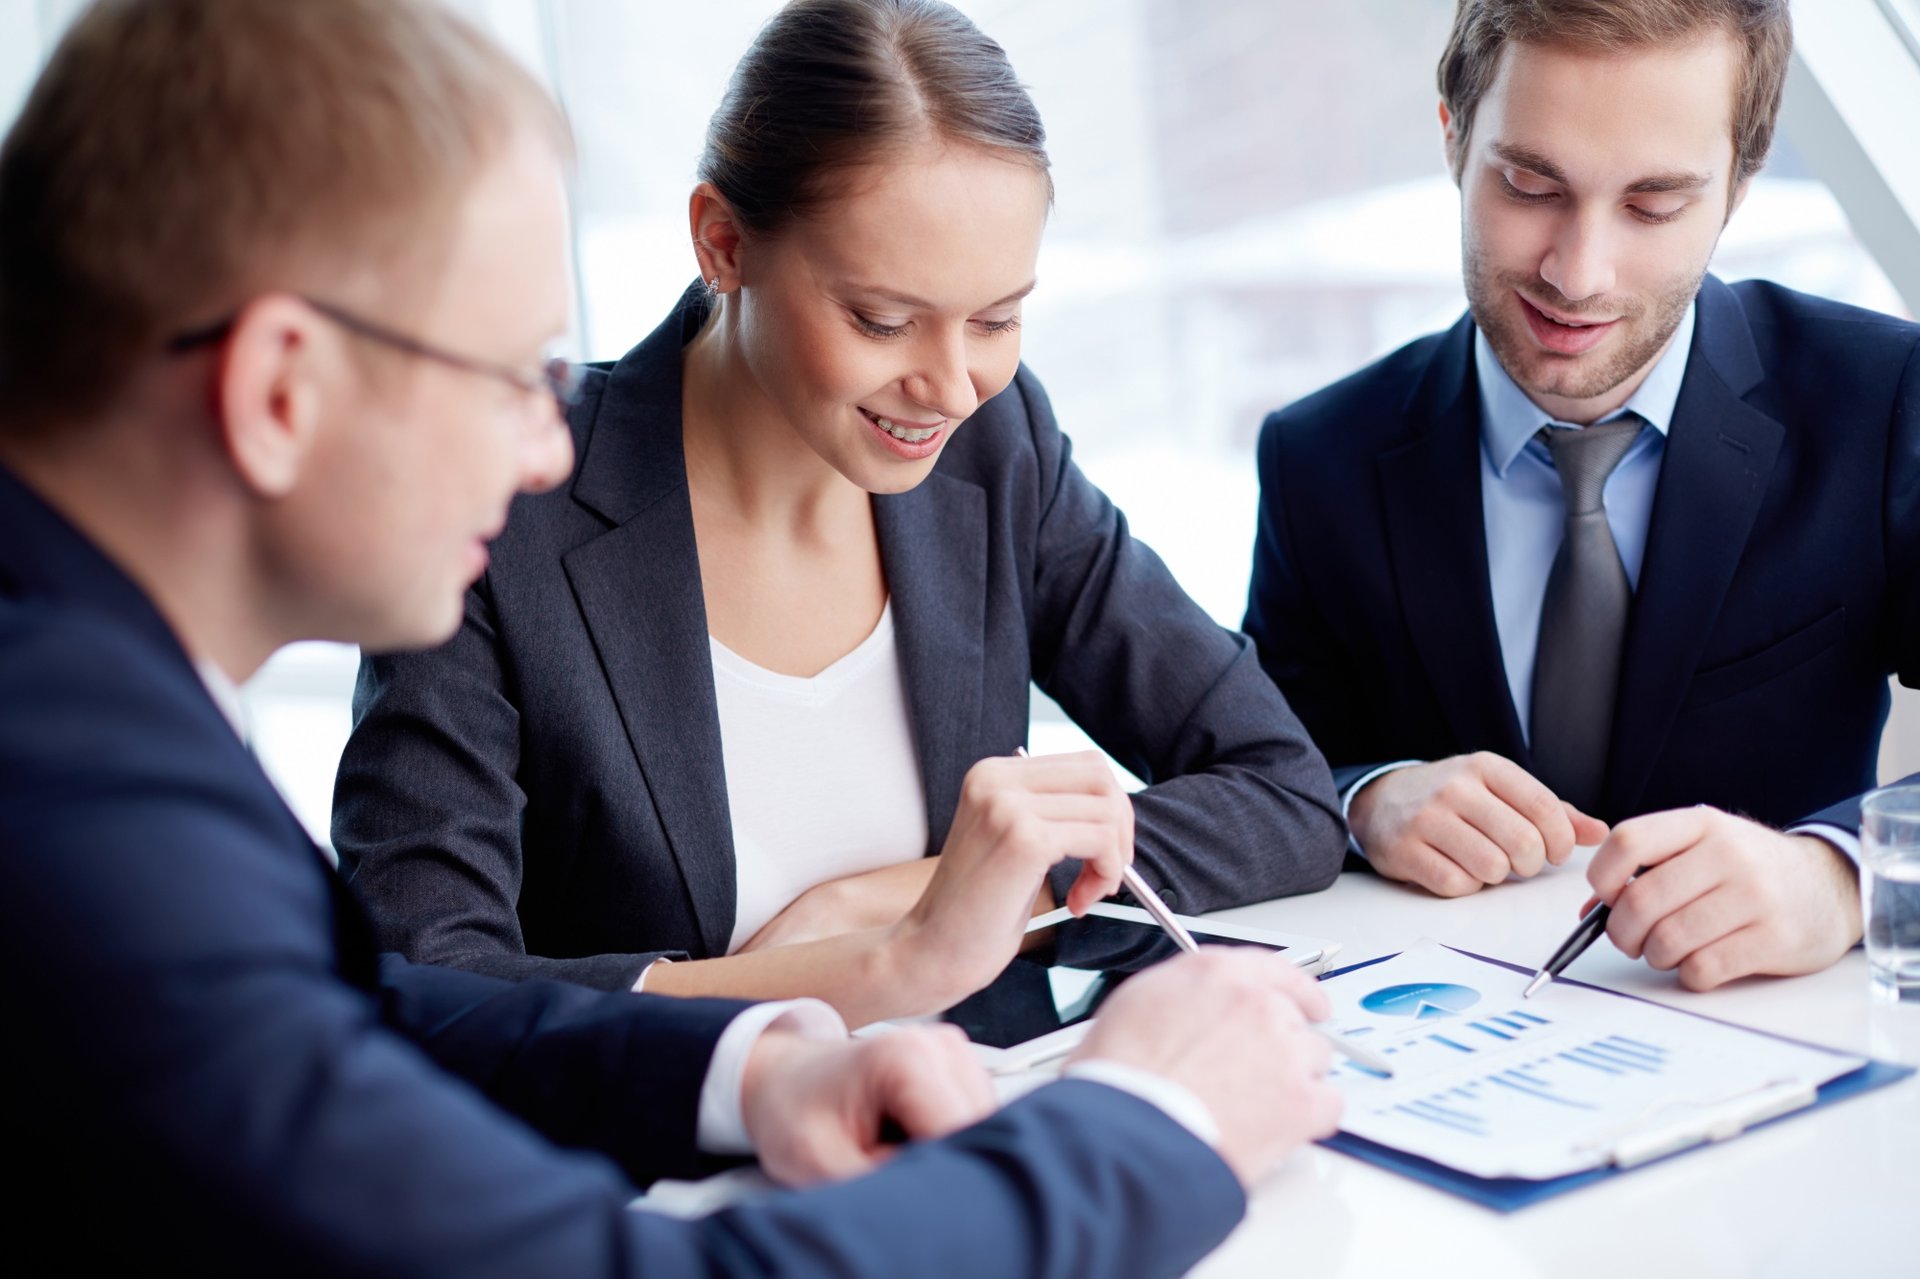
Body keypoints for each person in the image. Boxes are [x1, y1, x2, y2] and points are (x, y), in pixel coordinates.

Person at [0, 1, 1347, 1273]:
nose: (546, 444)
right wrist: (1151, 1114)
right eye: (512, 376)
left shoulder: (90, 707)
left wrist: (755, 1060)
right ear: (280, 390)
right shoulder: (83, 806)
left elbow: (360, 1016)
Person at [332, 0, 1345, 1024]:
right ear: (723, 244)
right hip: (670, 1168)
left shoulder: (998, 450)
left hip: (985, 1107)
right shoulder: (502, 505)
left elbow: (1279, 787)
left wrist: (925, 897)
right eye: (883, 319)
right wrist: (873, 967)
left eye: (997, 317)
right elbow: (423, 981)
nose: (951, 387)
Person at [1244, 0, 1919, 990]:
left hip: (1785, 1061)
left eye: (1653, 206)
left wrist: (1839, 877)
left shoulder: (1881, 400)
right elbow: (1256, 778)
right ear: (1453, 138)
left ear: (1741, 182)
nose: (1577, 273)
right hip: (1441, 1065)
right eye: (1529, 185)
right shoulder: (1320, 457)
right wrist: (1365, 799)